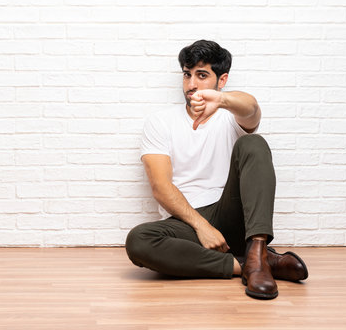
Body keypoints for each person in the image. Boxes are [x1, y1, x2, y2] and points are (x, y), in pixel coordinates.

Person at [125, 39, 308, 300]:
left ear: (221, 80)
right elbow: (161, 187)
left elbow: (252, 107)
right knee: (139, 240)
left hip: (229, 214)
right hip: (186, 223)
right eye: (187, 75)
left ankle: (257, 247)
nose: (191, 85)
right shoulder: (160, 121)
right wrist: (202, 227)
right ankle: (254, 264)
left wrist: (221, 101)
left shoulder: (231, 116)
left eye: (201, 75)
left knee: (254, 143)